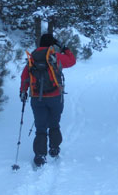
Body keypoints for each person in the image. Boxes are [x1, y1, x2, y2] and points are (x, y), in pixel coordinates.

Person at [20, 33, 76, 167]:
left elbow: (25, 77)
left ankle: (40, 155)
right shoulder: (55, 57)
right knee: (54, 123)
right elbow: (72, 60)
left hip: (36, 98)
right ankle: (54, 149)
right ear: (51, 44)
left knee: (40, 126)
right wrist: (63, 47)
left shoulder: (32, 58)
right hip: (55, 96)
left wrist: (23, 91)